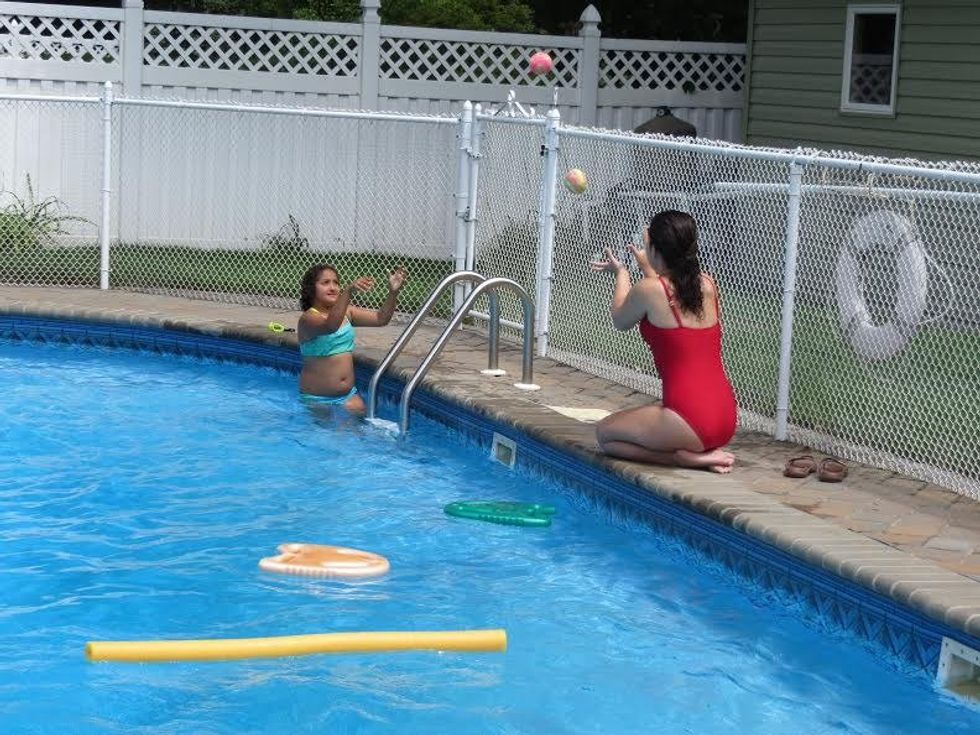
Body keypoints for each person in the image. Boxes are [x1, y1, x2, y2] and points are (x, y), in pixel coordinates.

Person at [590, 210, 736, 473]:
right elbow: (667, 296)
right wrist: (648, 265)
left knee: (606, 435)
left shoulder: (649, 290)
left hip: (688, 418)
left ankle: (683, 458)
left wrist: (622, 273)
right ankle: (698, 449)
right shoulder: (707, 284)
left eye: (648, 244)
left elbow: (620, 319)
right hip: (725, 418)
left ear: (656, 251)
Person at [297, 263, 407, 415]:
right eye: (325, 283)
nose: (333, 287)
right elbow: (331, 326)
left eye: (336, 282)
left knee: (361, 424)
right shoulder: (308, 319)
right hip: (317, 400)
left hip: (349, 396)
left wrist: (393, 292)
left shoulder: (347, 313)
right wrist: (348, 292)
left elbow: (381, 318)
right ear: (311, 288)